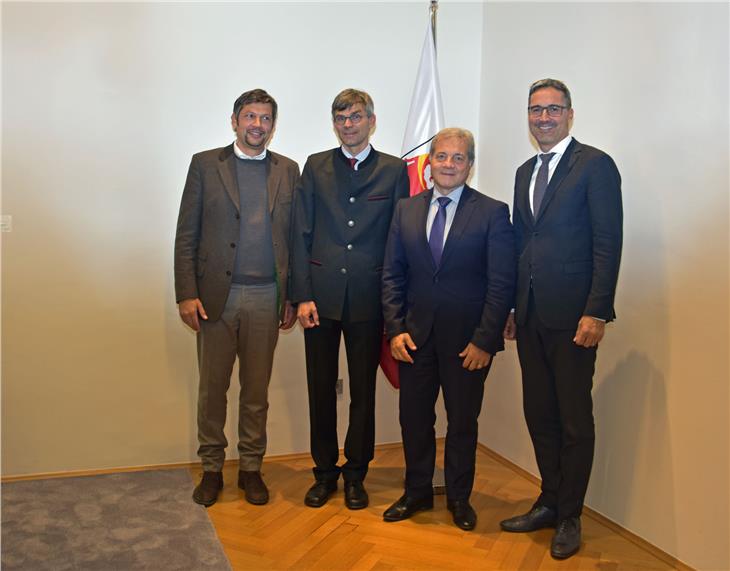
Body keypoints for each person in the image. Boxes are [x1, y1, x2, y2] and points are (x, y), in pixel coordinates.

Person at [500, 79, 623, 558]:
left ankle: (570, 515)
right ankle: (548, 501)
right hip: (530, 316)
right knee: (540, 414)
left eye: (553, 109)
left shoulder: (595, 166)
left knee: (574, 419)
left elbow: (607, 242)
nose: (544, 117)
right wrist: (511, 305)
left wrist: (597, 309)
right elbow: (518, 243)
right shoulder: (523, 170)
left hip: (575, 318)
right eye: (536, 109)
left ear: (570, 115)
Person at [380, 128, 516, 530]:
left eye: (458, 158)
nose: (449, 164)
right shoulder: (405, 209)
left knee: (462, 423)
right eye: (441, 156)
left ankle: (459, 498)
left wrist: (485, 341)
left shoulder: (492, 212)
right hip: (414, 339)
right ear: (430, 163)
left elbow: (500, 283)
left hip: (467, 344)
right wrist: (395, 329)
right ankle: (417, 492)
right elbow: (391, 275)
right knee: (415, 421)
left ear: (469, 165)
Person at [174, 88, 300, 507]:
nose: (256, 125)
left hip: (268, 296)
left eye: (265, 118)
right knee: (212, 389)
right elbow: (186, 234)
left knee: (256, 391)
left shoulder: (288, 170)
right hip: (215, 298)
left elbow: (295, 239)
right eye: (249, 116)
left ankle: (250, 468)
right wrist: (186, 293)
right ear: (234, 121)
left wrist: (292, 296)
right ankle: (211, 468)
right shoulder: (205, 165)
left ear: (272, 125)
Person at [290, 88, 410, 510]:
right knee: (319, 390)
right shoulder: (316, 166)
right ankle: (324, 473)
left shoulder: (394, 171)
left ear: (371, 121)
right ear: (334, 123)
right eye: (341, 118)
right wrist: (301, 295)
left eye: (356, 117)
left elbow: (400, 240)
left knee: (363, 393)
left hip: (369, 299)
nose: (348, 124)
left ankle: (357, 473)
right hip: (319, 302)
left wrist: (397, 303)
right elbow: (300, 234)